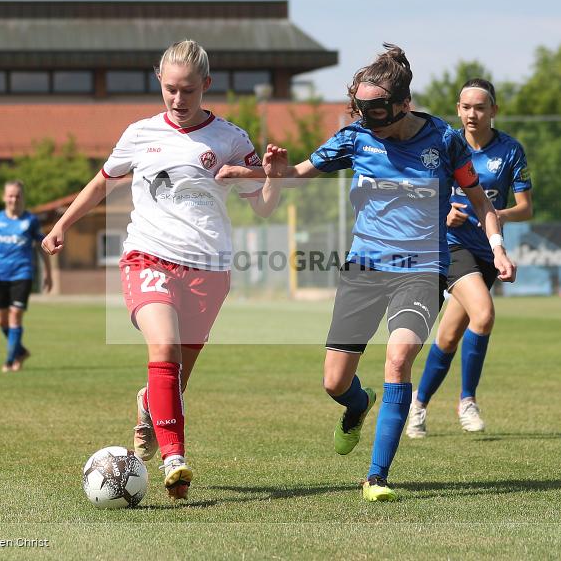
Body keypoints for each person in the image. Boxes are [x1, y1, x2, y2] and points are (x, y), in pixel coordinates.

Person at [219, 45, 515, 502]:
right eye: (359, 106)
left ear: (402, 103)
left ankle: (377, 477)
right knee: (335, 382)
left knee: (398, 358)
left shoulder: (444, 139)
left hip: (421, 269)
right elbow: (298, 172)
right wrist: (272, 174)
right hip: (365, 268)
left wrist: (496, 248)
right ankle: (358, 404)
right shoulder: (355, 138)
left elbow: (481, 201)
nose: (366, 115)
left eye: (374, 107)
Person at [41, 40, 284, 501]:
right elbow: (101, 182)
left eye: (188, 90)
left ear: (206, 86)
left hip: (209, 269)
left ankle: (149, 407)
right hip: (148, 256)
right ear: (160, 82)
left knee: (176, 377)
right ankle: (176, 459)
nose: (178, 99)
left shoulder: (231, 139)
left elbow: (266, 207)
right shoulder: (139, 133)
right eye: (170, 89)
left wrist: (273, 175)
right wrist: (62, 225)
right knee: (165, 344)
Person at [405, 78, 532, 439]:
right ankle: (467, 400)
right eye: (465, 107)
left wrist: (495, 214)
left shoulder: (510, 150)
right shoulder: (446, 144)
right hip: (450, 246)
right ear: (458, 110)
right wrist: (445, 212)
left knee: (447, 338)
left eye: (480, 107)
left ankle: (419, 404)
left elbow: (526, 208)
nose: (472, 114)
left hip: (487, 251)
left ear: (493, 110)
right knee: (485, 313)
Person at [0, 180, 53, 373]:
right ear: (4, 198)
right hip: (1, 275)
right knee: (1, 320)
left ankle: (10, 361)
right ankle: (20, 351)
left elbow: (42, 248)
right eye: (10, 195)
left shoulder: (31, 221)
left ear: (22, 198)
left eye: (17, 195)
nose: (14, 199)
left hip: (23, 273)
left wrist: (48, 274)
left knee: (15, 316)